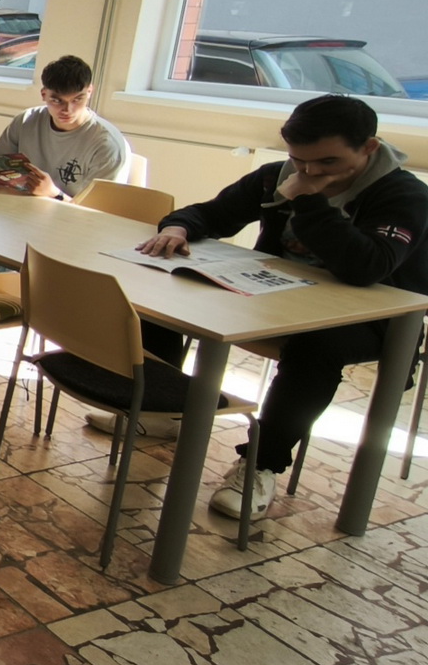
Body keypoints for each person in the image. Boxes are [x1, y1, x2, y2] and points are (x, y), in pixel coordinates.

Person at [113, 94, 427, 522]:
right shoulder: (277, 175)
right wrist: (178, 227)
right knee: (165, 286)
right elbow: (212, 213)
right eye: (300, 160)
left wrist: (309, 201)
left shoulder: (403, 194)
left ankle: (261, 464)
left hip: (372, 316)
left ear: (368, 147)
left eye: (328, 162)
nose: (310, 172)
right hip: (279, 296)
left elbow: (366, 267)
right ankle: (163, 407)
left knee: (317, 347)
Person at [0, 54, 129, 199]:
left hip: (69, 221)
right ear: (43, 94)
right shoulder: (27, 120)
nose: (67, 110)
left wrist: (54, 194)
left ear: (89, 91)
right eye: (57, 100)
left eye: (77, 99)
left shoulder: (106, 145)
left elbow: (95, 212)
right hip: (22, 208)